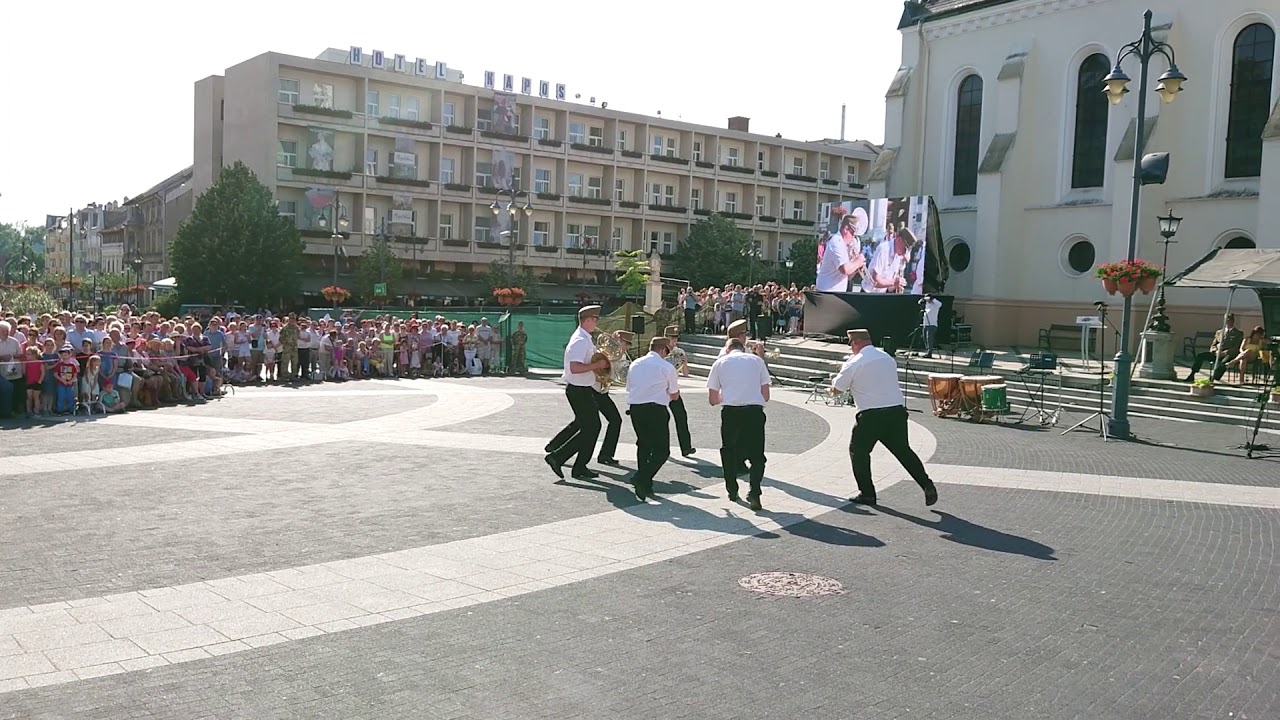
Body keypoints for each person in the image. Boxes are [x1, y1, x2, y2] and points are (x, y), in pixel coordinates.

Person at [831, 329, 938, 507]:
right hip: (896, 412)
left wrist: (834, 381)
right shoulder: (886, 357)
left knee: (858, 452)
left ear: (855, 342)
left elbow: (838, 389)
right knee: (904, 451)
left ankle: (867, 493)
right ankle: (926, 484)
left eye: (851, 344)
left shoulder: (854, 362)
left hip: (871, 416)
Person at [548, 330, 632, 467]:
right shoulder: (603, 352)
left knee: (584, 423)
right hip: (592, 389)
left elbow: (620, 374)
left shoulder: (621, 357)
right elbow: (594, 365)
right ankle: (599, 456)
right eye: (626, 343)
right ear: (618, 341)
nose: (628, 347)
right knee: (595, 424)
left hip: (601, 391)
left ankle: (556, 447)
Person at [706, 336, 771, 510]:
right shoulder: (757, 361)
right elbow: (765, 394)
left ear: (727, 349)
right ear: (743, 348)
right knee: (757, 455)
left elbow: (713, 399)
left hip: (731, 412)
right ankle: (755, 491)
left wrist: (727, 396)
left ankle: (732, 489)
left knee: (729, 451)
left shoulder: (720, 363)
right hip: (754, 411)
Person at [545, 305, 608, 481]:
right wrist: (597, 366)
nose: (596, 322)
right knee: (592, 427)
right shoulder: (580, 340)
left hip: (582, 389)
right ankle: (558, 457)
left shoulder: (585, 338)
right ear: (587, 320)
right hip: (578, 390)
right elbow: (574, 367)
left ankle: (579, 466)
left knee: (591, 427)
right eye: (595, 319)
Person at [625, 336, 681, 501]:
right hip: (656, 409)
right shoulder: (666, 367)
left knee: (644, 445)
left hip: (636, 409)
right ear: (663, 350)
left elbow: (630, 387)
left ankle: (646, 484)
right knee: (662, 451)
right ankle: (642, 478)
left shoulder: (635, 364)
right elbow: (674, 395)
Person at [663, 325, 696, 457]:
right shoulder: (660, 350)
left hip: (673, 390)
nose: (674, 341)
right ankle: (662, 447)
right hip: (660, 390)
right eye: (672, 338)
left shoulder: (678, 351)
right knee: (662, 420)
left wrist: (685, 363)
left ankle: (686, 447)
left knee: (681, 416)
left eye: (676, 338)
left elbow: (685, 373)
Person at [1184, 314, 1244, 382]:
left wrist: (1225, 352)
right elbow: (1213, 344)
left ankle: (1214, 378)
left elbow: (1236, 347)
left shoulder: (1238, 333)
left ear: (1233, 321)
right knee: (1200, 356)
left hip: (1228, 354)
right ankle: (1192, 374)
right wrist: (1215, 351)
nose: (1227, 322)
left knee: (1224, 362)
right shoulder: (1219, 332)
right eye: (1226, 320)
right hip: (1217, 353)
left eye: (1229, 320)